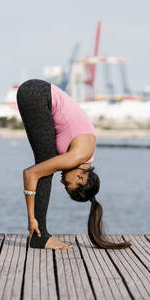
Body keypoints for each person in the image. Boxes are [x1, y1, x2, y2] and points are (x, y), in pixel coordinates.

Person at [17, 79, 131, 249]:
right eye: (67, 184)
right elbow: (30, 174)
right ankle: (39, 237)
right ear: (81, 177)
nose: (62, 181)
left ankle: (40, 235)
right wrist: (30, 218)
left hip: (37, 93)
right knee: (44, 169)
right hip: (37, 94)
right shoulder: (76, 157)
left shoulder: (83, 156)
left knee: (46, 166)